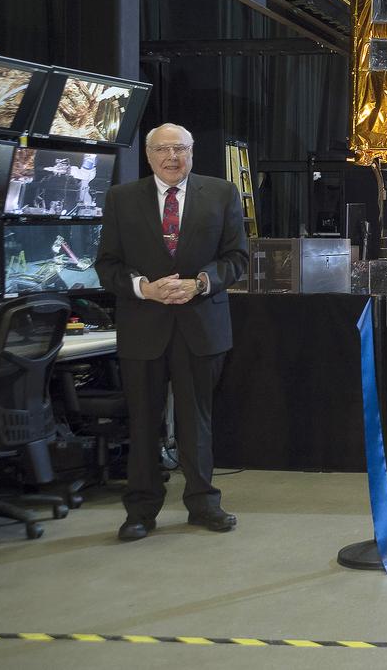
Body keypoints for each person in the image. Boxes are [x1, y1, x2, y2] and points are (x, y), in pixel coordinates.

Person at [96, 123, 248, 542]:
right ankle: (141, 511)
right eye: (163, 149)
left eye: (181, 148)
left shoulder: (221, 193)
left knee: (196, 419)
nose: (172, 157)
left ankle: (204, 504)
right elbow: (107, 265)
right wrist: (143, 288)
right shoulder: (121, 199)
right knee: (143, 422)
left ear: (193, 152)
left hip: (201, 323)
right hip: (143, 326)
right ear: (148, 155)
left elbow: (237, 257)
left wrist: (199, 282)